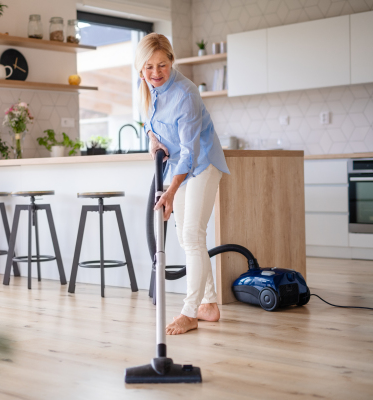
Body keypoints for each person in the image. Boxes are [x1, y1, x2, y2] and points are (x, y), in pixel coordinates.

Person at [136, 33, 230, 335]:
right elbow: (155, 126)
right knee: (188, 238)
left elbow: (190, 152)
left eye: (162, 65)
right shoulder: (147, 88)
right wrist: (154, 142)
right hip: (178, 167)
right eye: (148, 67)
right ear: (140, 68)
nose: (155, 73)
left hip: (201, 164)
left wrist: (170, 192)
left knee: (191, 234)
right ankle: (209, 304)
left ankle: (190, 313)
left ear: (171, 61)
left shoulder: (186, 94)